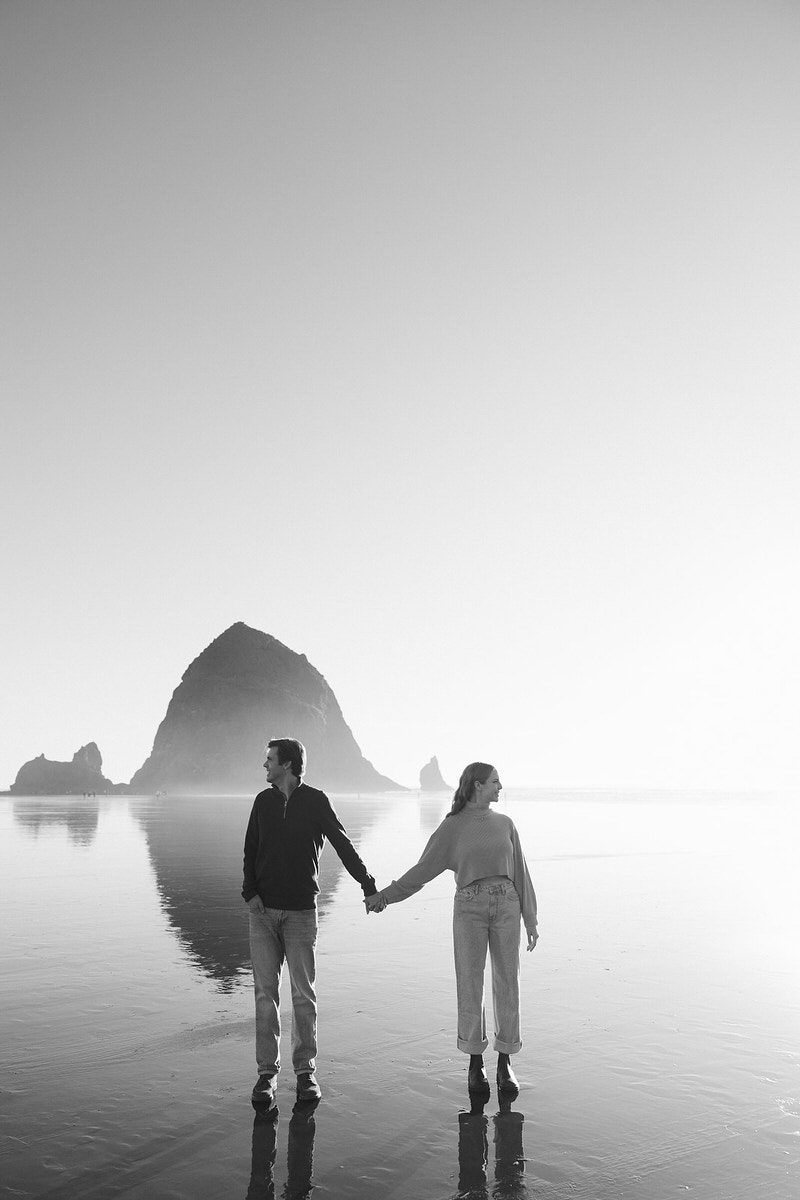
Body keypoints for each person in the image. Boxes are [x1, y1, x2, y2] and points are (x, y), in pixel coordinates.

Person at [366, 762, 538, 1096]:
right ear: (477, 785)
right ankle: (476, 1063)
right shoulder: (452, 827)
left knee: (508, 983)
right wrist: (385, 896)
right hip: (470, 908)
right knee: (470, 982)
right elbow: (423, 869)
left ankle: (505, 1061)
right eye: (495, 782)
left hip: (506, 903)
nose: (500, 788)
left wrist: (530, 919)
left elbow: (522, 872)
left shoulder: (506, 824)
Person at [243, 737, 381, 1105]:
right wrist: (249, 893)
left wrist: (367, 884)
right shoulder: (262, 801)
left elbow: (342, 843)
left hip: (301, 913)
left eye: (269, 759)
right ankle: (266, 1075)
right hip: (262, 914)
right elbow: (250, 848)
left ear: (286, 764)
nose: (265, 766)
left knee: (303, 996)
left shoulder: (316, 801)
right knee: (264, 995)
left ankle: (305, 1072)